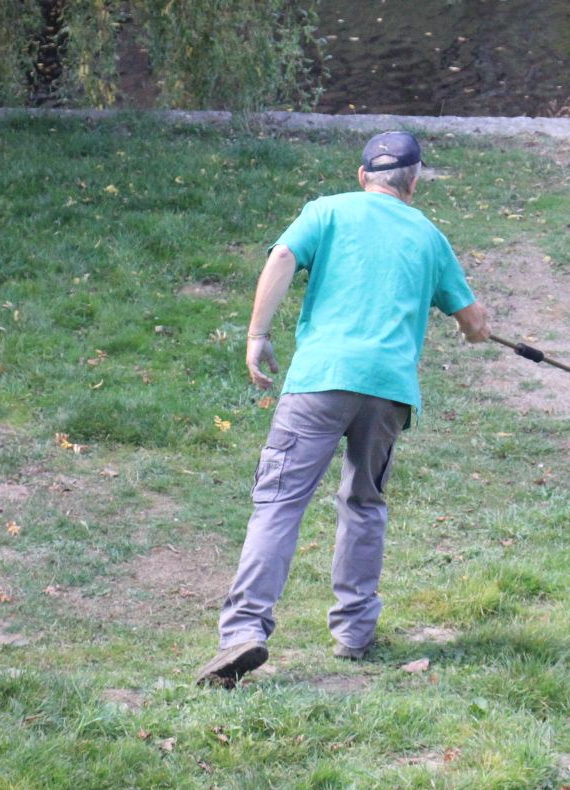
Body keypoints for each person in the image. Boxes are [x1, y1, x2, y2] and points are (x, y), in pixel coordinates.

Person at [196, 130, 489, 687]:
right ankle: (354, 632)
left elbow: (284, 255)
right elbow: (474, 322)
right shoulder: (429, 237)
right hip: (388, 391)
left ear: (362, 177)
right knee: (363, 502)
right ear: (414, 183)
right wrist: (476, 329)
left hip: (320, 380)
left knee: (279, 503)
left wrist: (257, 336)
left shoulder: (325, 212)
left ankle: (243, 633)